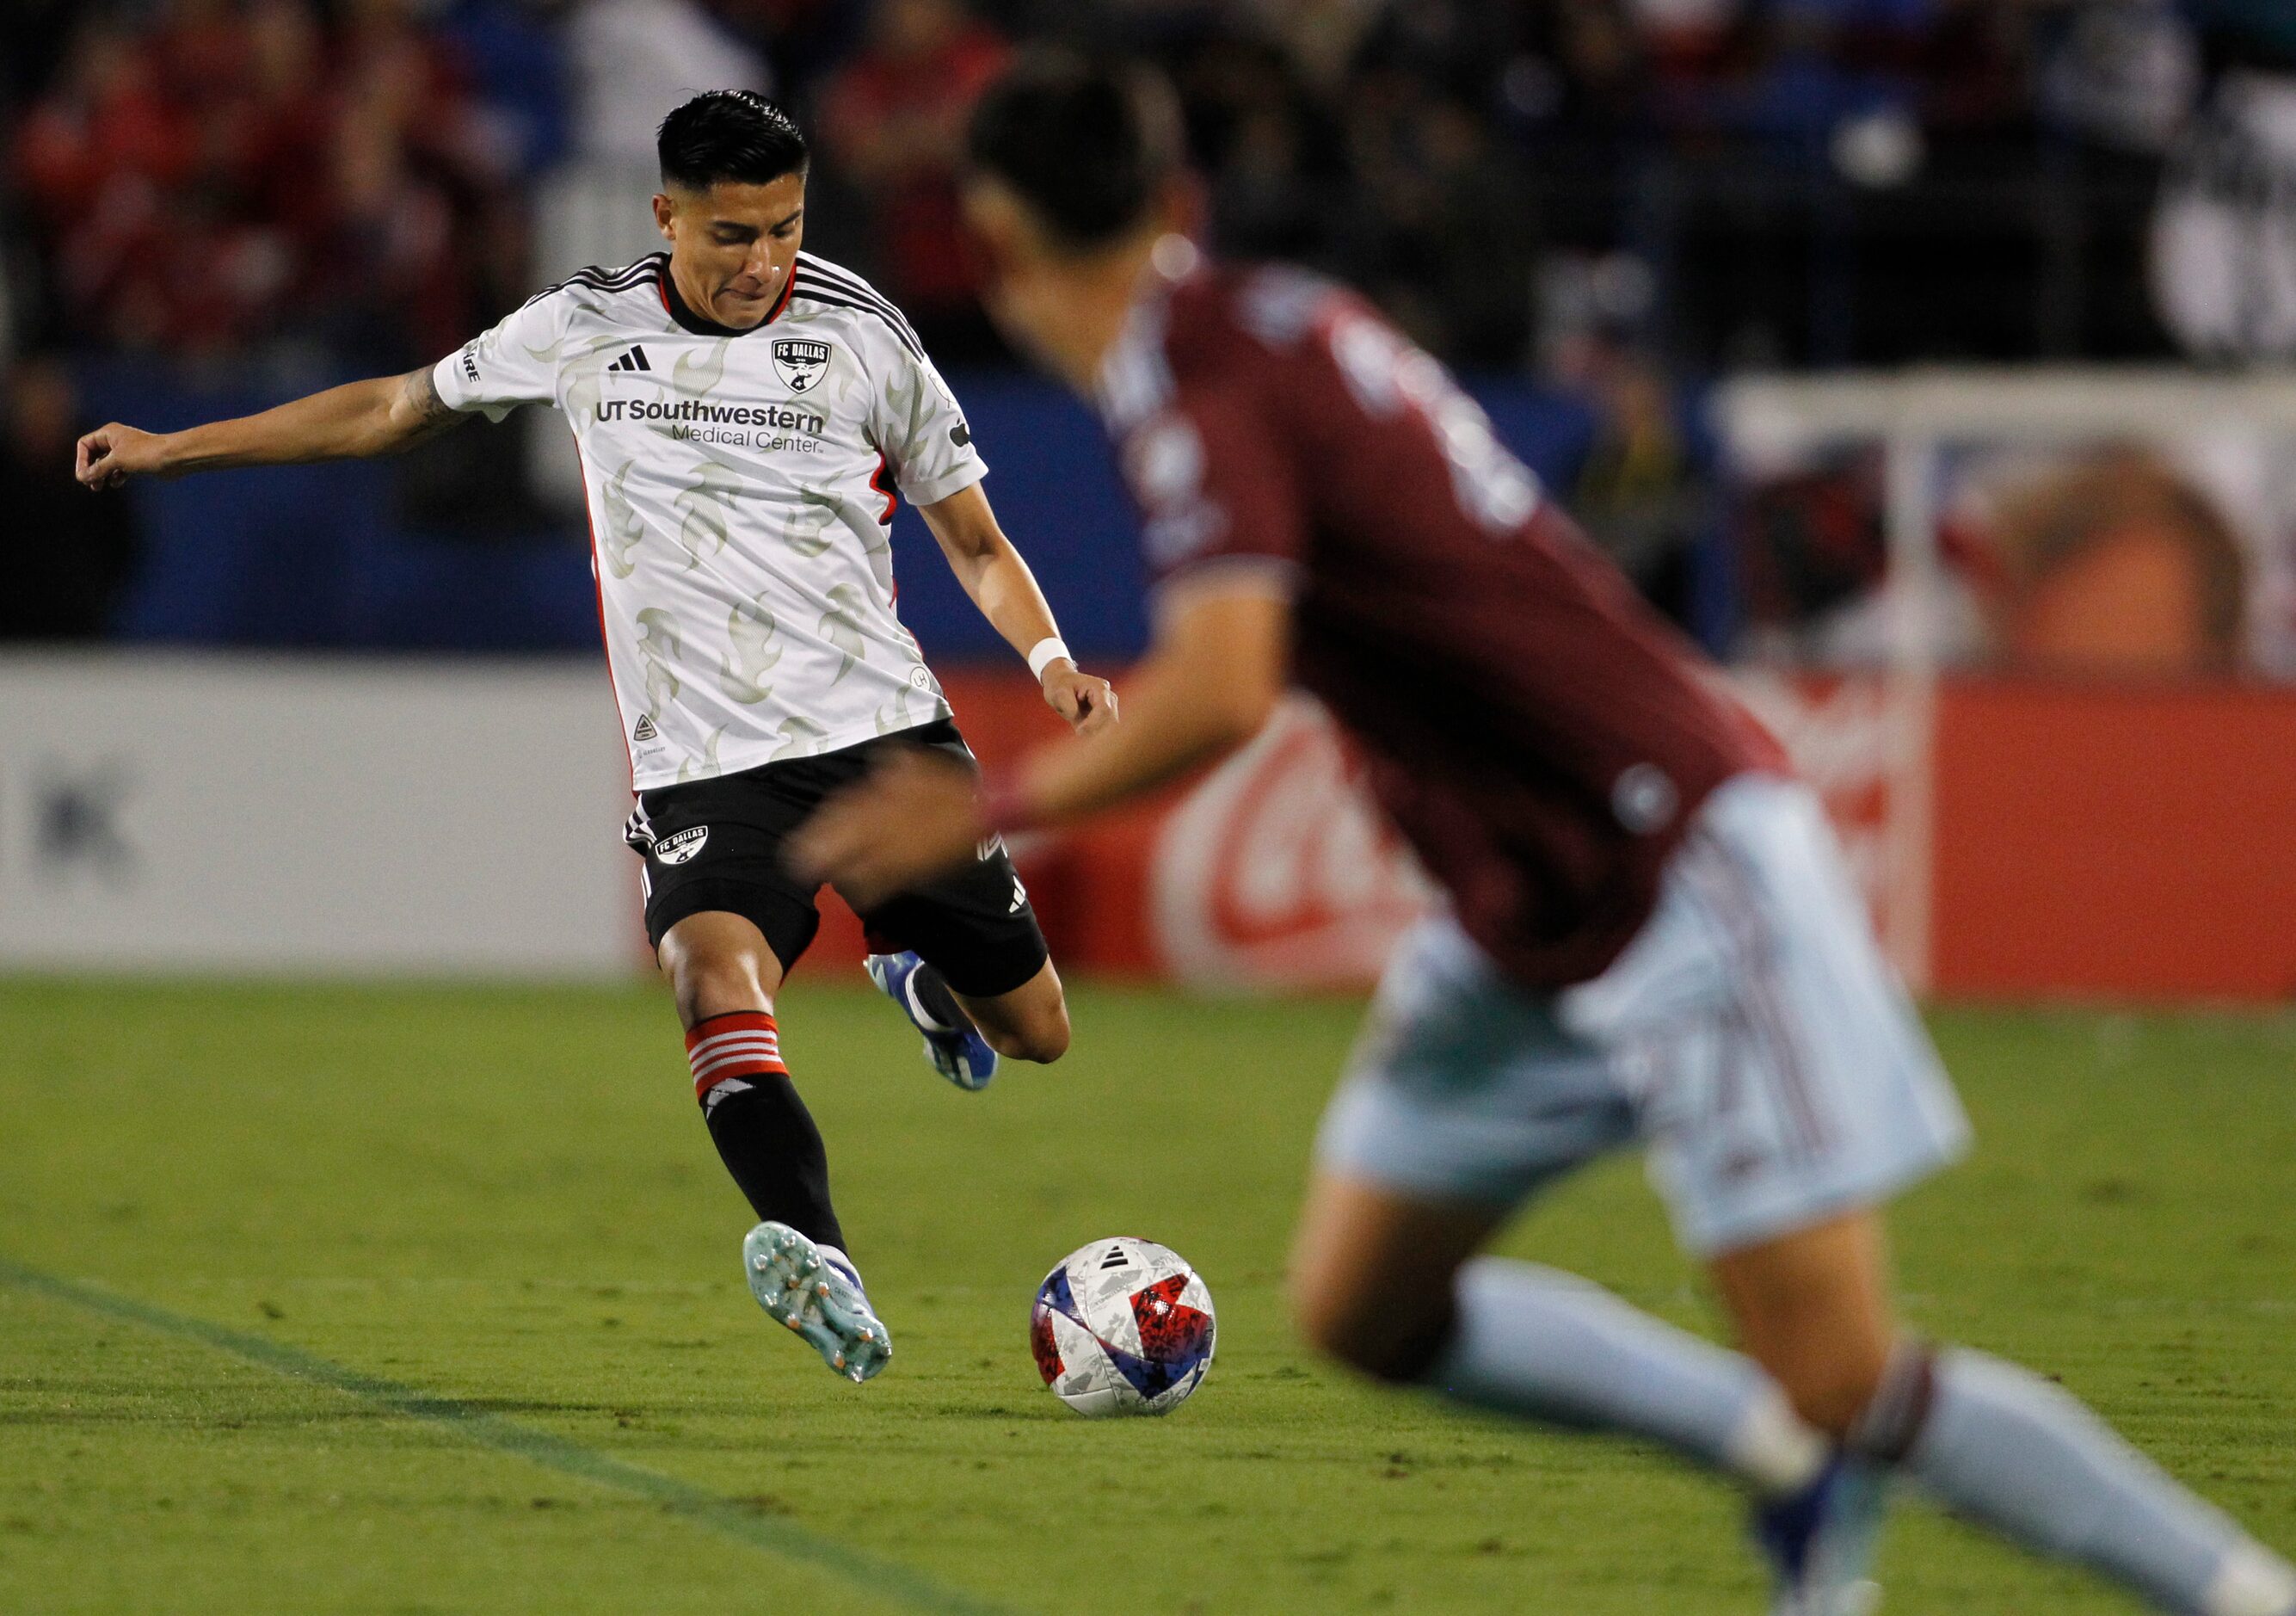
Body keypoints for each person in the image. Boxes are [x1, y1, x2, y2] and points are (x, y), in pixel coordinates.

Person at [791, 52, 2296, 1613]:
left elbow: (1227, 684)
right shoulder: (1276, 319)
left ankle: (2233, 1589)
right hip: (1513, 898)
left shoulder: (1197, 378)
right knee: (1368, 1305)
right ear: (1174, 196)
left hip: (1666, 861)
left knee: (1850, 1370)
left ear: (996, 244)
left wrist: (986, 802)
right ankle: (1769, 1456)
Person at [75, 89, 1116, 1387]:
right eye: (732, 234)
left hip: (880, 738)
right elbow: (394, 407)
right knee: (710, 979)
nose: (761, 263)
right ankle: (818, 1255)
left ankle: (919, 971)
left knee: (1038, 1033)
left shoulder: (862, 333)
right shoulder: (583, 326)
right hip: (702, 761)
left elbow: (968, 533)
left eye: (785, 229)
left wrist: (1052, 658)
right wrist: (178, 448)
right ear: (666, 214)